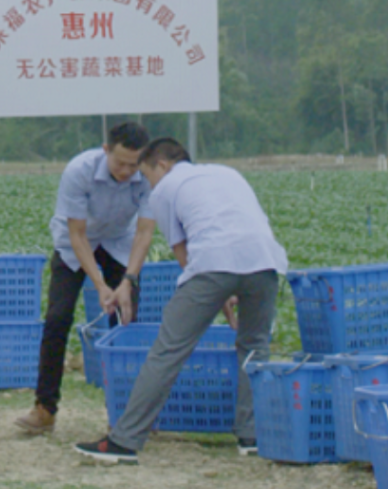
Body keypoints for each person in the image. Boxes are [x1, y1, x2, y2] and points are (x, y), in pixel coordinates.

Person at [74, 137, 288, 464]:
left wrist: (216, 293)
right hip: (265, 262)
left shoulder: (165, 190)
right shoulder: (228, 173)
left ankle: (125, 441)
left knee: (168, 351)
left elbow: (182, 252)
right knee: (254, 348)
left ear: (162, 165)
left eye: (147, 175)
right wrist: (226, 293)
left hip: (212, 264)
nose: (149, 184)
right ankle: (252, 436)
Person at [15, 121, 155, 435]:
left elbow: (145, 232)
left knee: (126, 322)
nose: (126, 171)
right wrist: (101, 286)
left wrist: (127, 281)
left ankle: (125, 413)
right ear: (106, 150)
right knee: (57, 318)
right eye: (120, 163)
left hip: (119, 244)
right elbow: (77, 235)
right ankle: (44, 408)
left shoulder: (145, 176)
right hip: (76, 246)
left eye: (133, 165)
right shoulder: (79, 171)